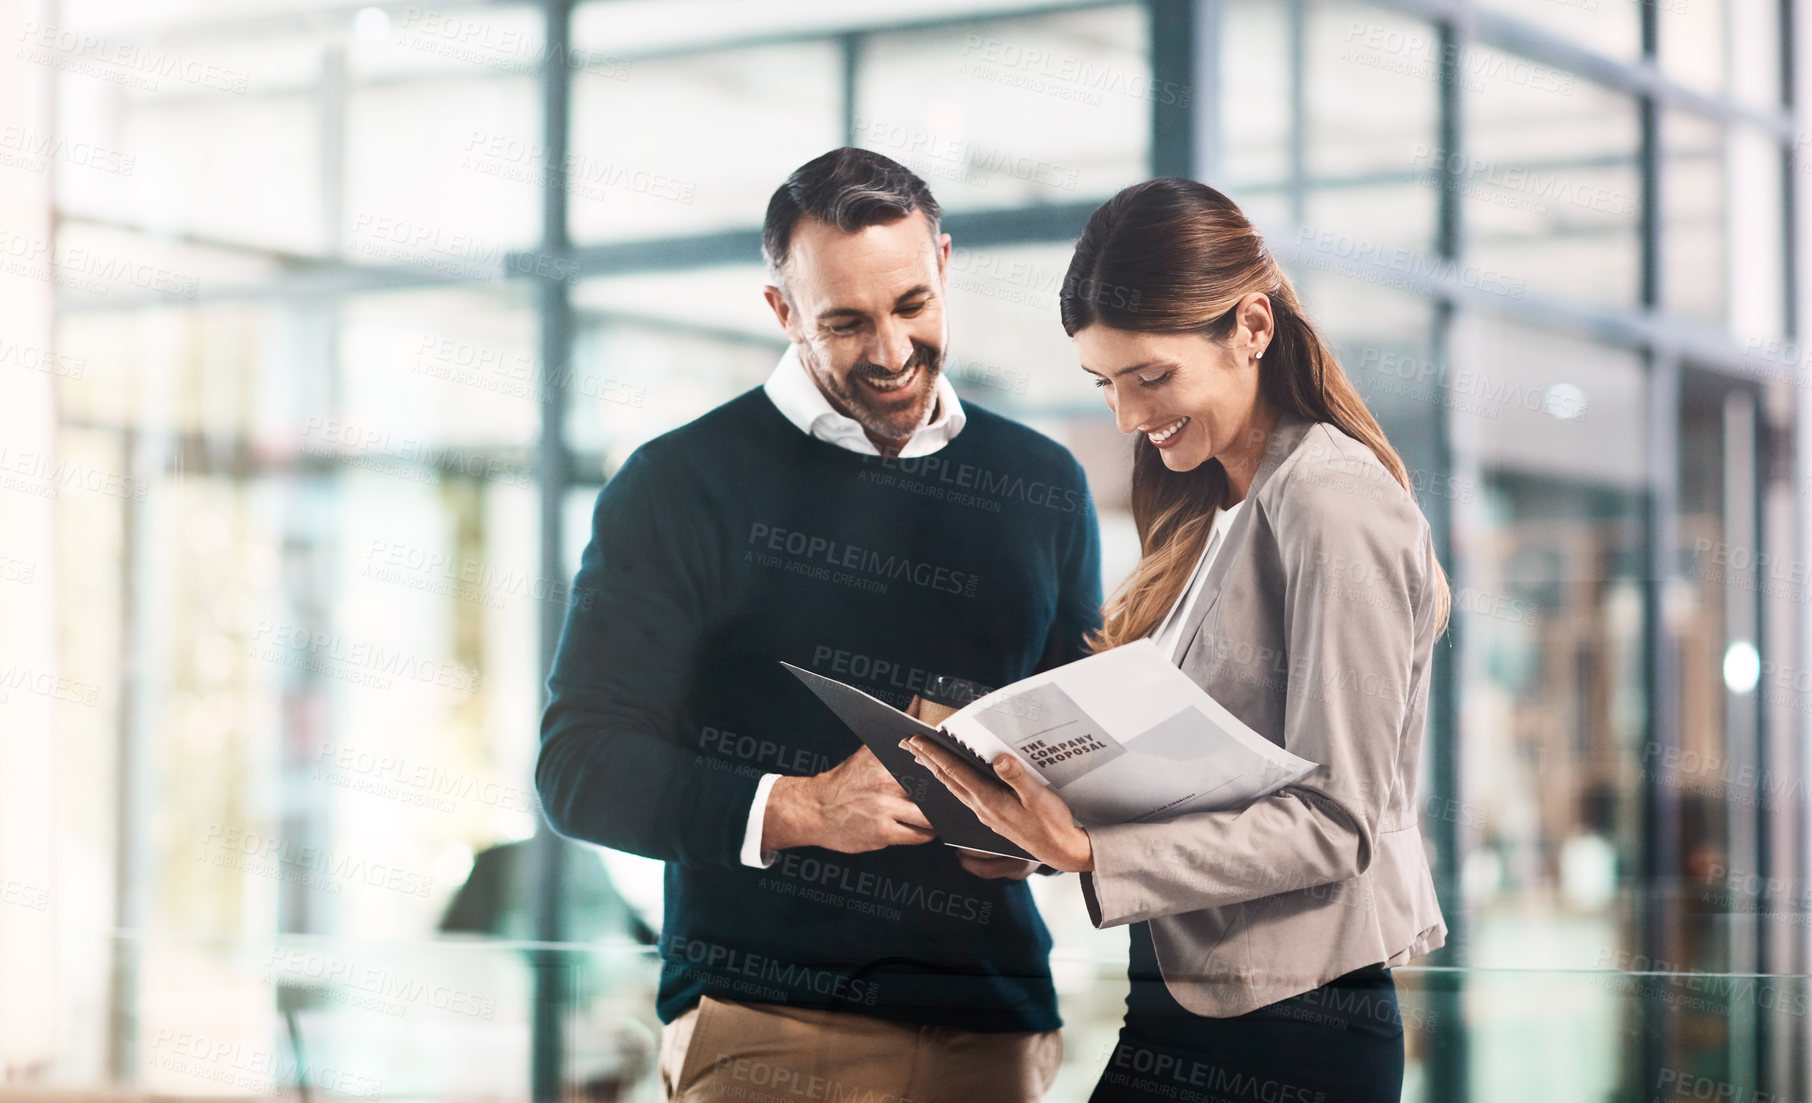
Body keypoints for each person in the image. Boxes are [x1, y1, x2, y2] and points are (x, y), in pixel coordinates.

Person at [536, 147, 1102, 1103]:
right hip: (770, 1028)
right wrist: (805, 808)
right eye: (844, 321)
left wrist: (1027, 823)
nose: (888, 351)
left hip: (999, 1026)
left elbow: (1074, 747)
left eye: (912, 306)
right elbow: (579, 767)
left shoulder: (1044, 483)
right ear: (783, 312)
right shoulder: (679, 487)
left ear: (946, 267)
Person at [904, 177, 1450, 1103]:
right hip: (1180, 1002)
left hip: (1291, 1030)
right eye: (1104, 383)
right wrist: (1034, 828)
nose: (1126, 416)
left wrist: (1090, 851)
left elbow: (1335, 823)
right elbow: (1206, 779)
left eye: (1150, 376)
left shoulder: (1331, 501)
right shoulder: (1214, 501)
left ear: (1252, 328)